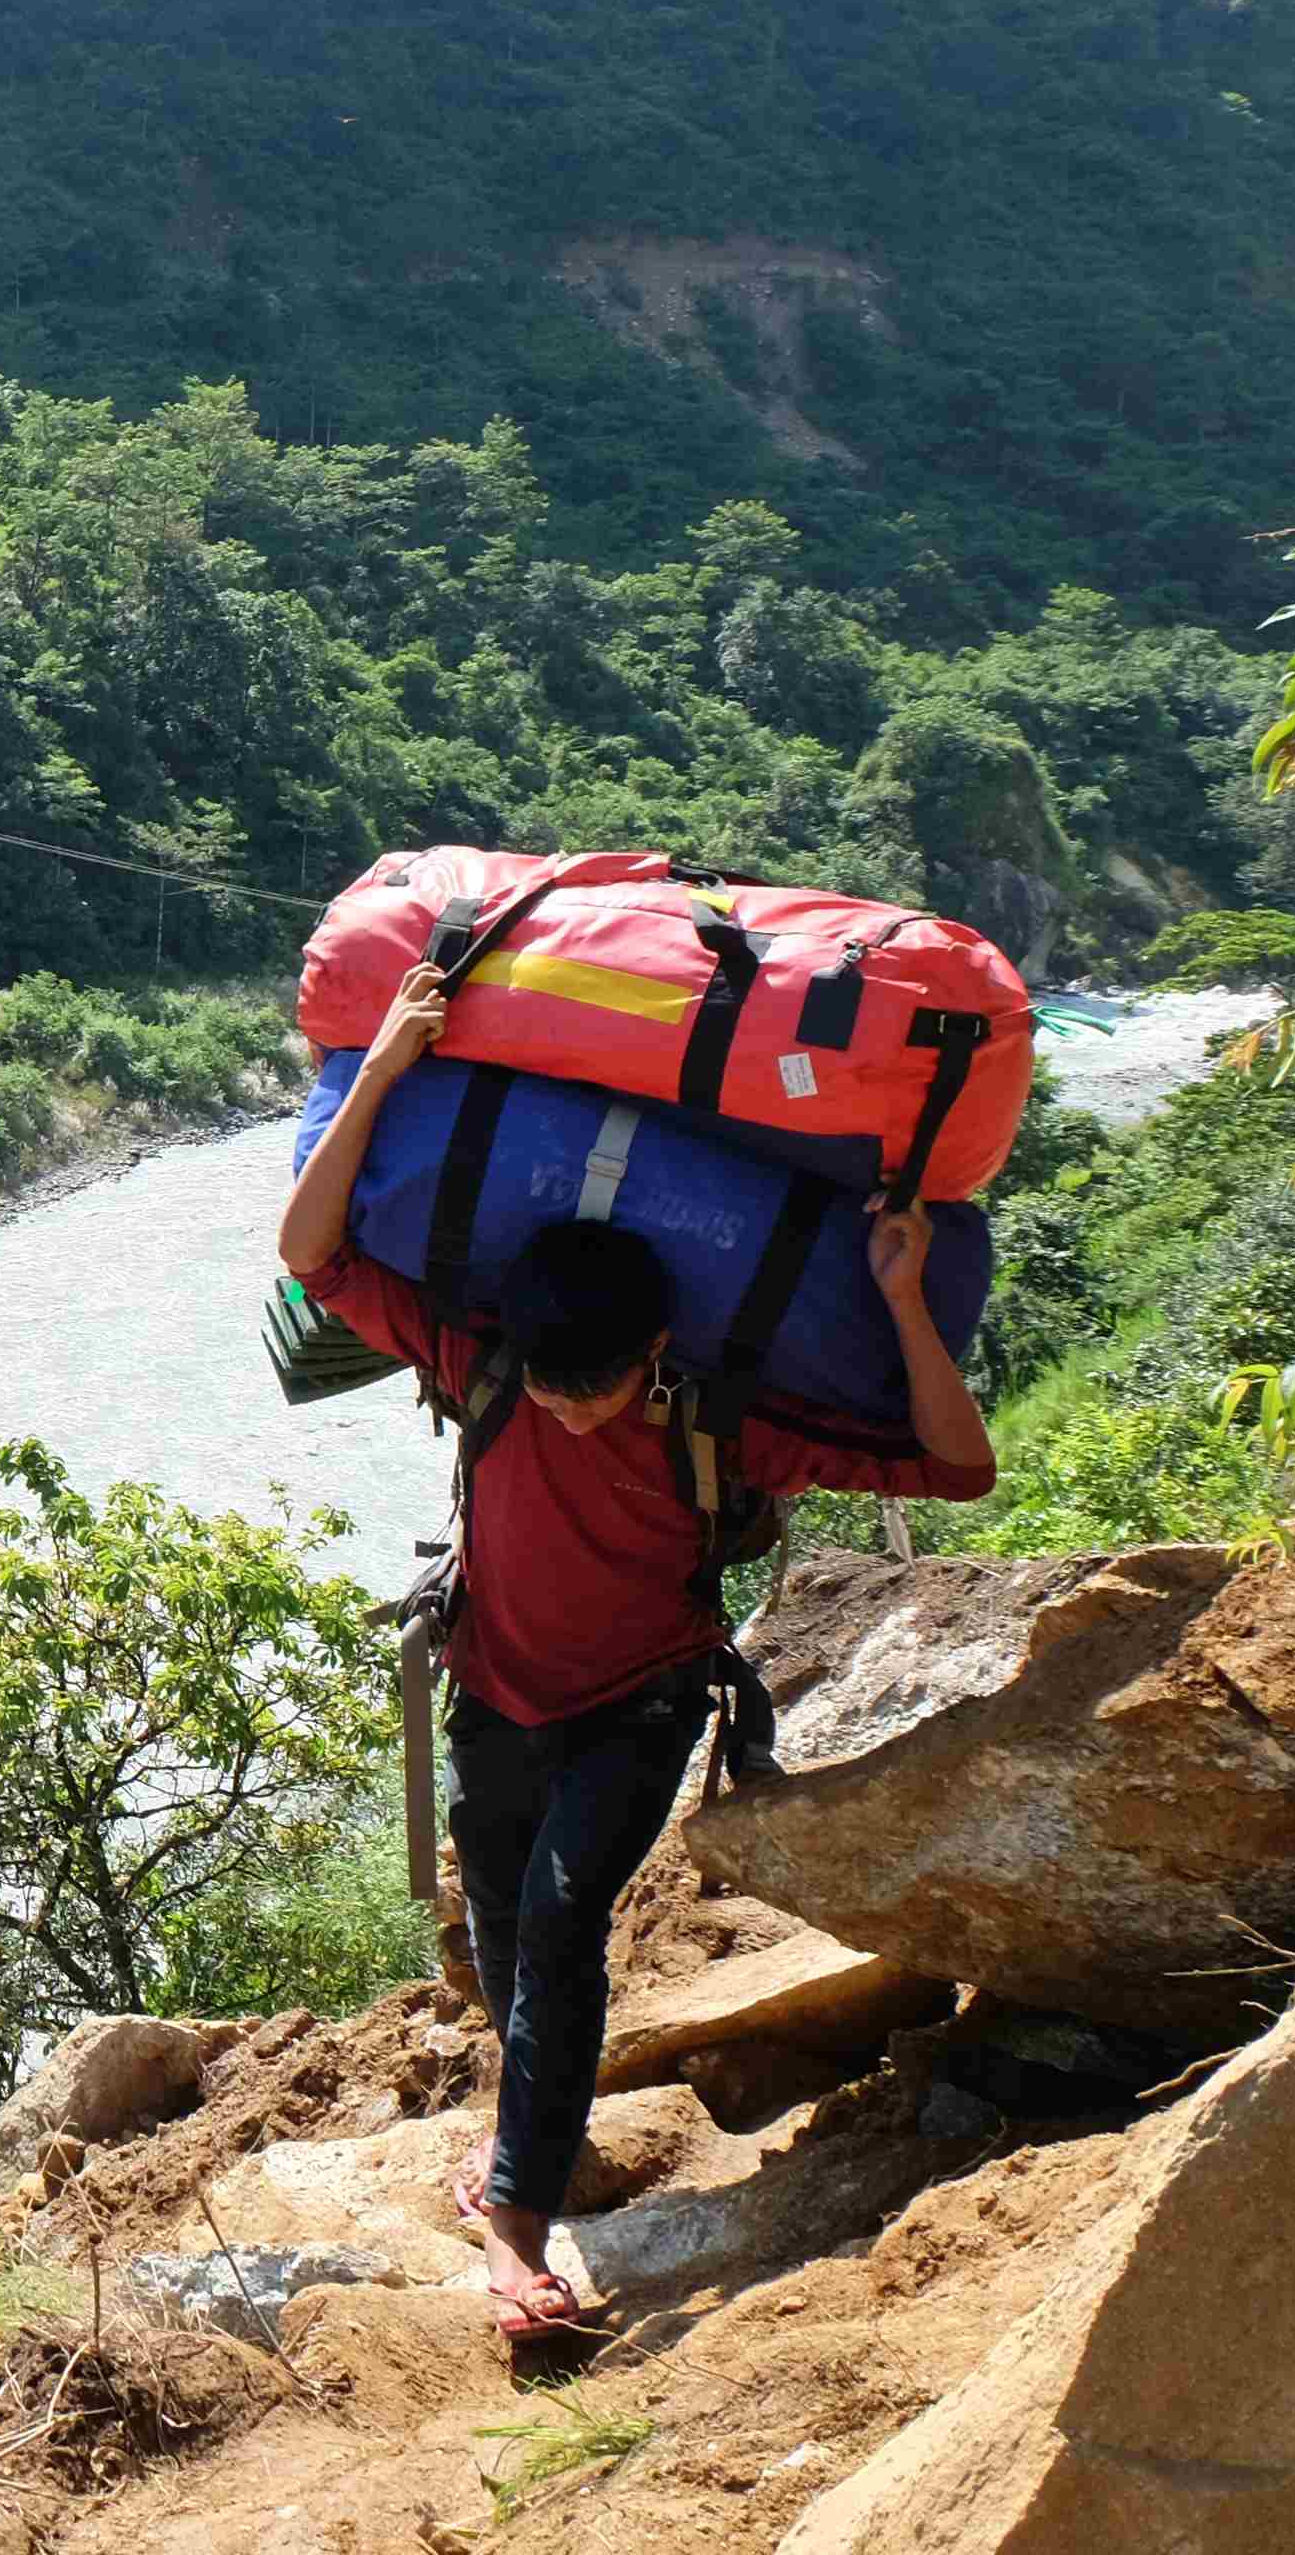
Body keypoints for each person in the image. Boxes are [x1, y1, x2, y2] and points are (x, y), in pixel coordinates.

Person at [276, 958, 996, 2344]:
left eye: (592, 1389)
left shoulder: (719, 1421)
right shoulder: (487, 1364)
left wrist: (904, 1297)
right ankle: (529, 2133)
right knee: (503, 1936)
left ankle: (518, 2232)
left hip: (640, 1704)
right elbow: (312, 1253)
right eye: (552, 1388)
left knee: (561, 1931)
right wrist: (381, 1074)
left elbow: (956, 1469)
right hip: (492, 1688)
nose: (567, 1409)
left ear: (655, 1348)